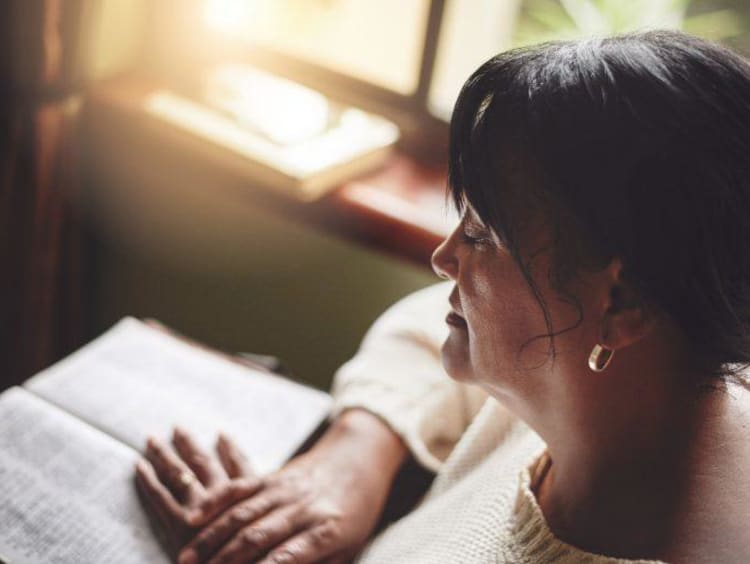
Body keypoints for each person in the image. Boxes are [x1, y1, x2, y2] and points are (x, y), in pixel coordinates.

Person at [135, 29, 750, 563]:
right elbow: (430, 327)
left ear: (621, 304)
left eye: (481, 235)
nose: (442, 258)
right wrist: (356, 453)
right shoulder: (624, 385)